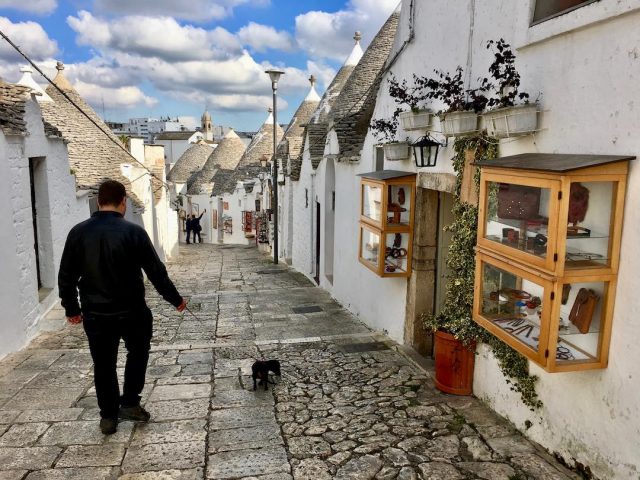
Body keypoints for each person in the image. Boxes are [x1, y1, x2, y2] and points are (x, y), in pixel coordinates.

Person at [58, 180, 187, 435]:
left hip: (95, 313)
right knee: (137, 354)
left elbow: (66, 276)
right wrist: (176, 300)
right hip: (132, 311)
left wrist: (71, 309)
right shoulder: (134, 232)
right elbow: (156, 273)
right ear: (123, 202)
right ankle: (129, 402)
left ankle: (108, 417)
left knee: (103, 363)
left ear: (98, 201)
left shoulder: (78, 232)